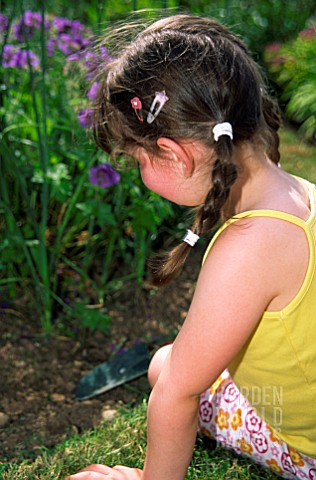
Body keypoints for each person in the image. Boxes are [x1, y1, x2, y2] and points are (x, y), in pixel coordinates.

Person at [66, 14, 316, 480]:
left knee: (169, 374)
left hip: (308, 446)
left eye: (136, 157)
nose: (137, 172)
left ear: (176, 155)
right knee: (168, 362)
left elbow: (178, 394)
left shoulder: (246, 247)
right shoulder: (297, 191)